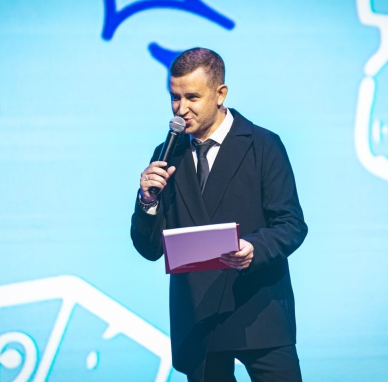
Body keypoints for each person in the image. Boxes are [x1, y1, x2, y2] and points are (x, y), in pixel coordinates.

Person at [130, 47, 308, 382]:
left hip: (259, 311)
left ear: (220, 93)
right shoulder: (166, 155)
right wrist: (147, 202)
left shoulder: (263, 145)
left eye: (192, 97)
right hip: (198, 320)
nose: (181, 109)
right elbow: (150, 249)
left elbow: (291, 224)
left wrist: (254, 248)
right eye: (175, 97)